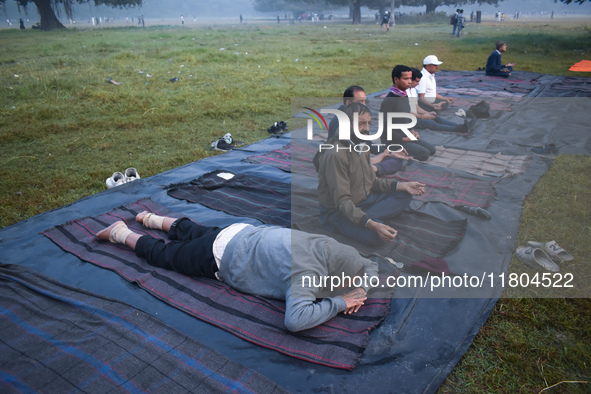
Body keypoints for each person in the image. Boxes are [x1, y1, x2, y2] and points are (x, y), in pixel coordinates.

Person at [97, 211, 378, 333]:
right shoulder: (307, 276)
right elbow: (296, 320)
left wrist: (361, 289)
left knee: (193, 230)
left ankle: (151, 218)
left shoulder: (328, 246)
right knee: (167, 255)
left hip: (240, 231)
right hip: (220, 256)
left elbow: (369, 264)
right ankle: (121, 233)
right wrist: (340, 303)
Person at [314, 101, 426, 247]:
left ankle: (362, 219)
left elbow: (372, 182)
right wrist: (373, 225)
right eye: (361, 124)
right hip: (338, 212)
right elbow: (342, 201)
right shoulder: (336, 154)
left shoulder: (363, 145)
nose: (366, 129)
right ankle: (362, 220)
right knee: (377, 237)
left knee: (404, 194)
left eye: (368, 123)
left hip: (365, 200)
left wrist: (402, 185)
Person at [327, 86, 411, 176]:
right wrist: (379, 157)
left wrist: (390, 152)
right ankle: (371, 171)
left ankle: (372, 170)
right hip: (345, 165)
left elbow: (367, 143)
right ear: (348, 103)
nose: (364, 105)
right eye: (360, 102)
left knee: (395, 160)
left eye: (365, 101)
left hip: (358, 160)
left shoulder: (356, 117)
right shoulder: (340, 124)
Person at [380, 65, 437, 161]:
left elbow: (406, 117)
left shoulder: (404, 96)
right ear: (396, 79)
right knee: (424, 154)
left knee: (432, 149)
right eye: (406, 79)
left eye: (410, 78)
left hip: (405, 135)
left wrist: (412, 131)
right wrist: (404, 139)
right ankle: (392, 153)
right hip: (394, 140)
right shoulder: (389, 101)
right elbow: (384, 127)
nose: (410, 81)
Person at [408, 68, 469, 133]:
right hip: (409, 119)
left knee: (436, 117)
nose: (418, 84)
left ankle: (460, 126)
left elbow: (416, 107)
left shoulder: (413, 90)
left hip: (417, 115)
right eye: (416, 81)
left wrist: (427, 113)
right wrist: (423, 116)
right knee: (429, 122)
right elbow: (406, 112)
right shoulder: (403, 93)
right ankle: (458, 129)